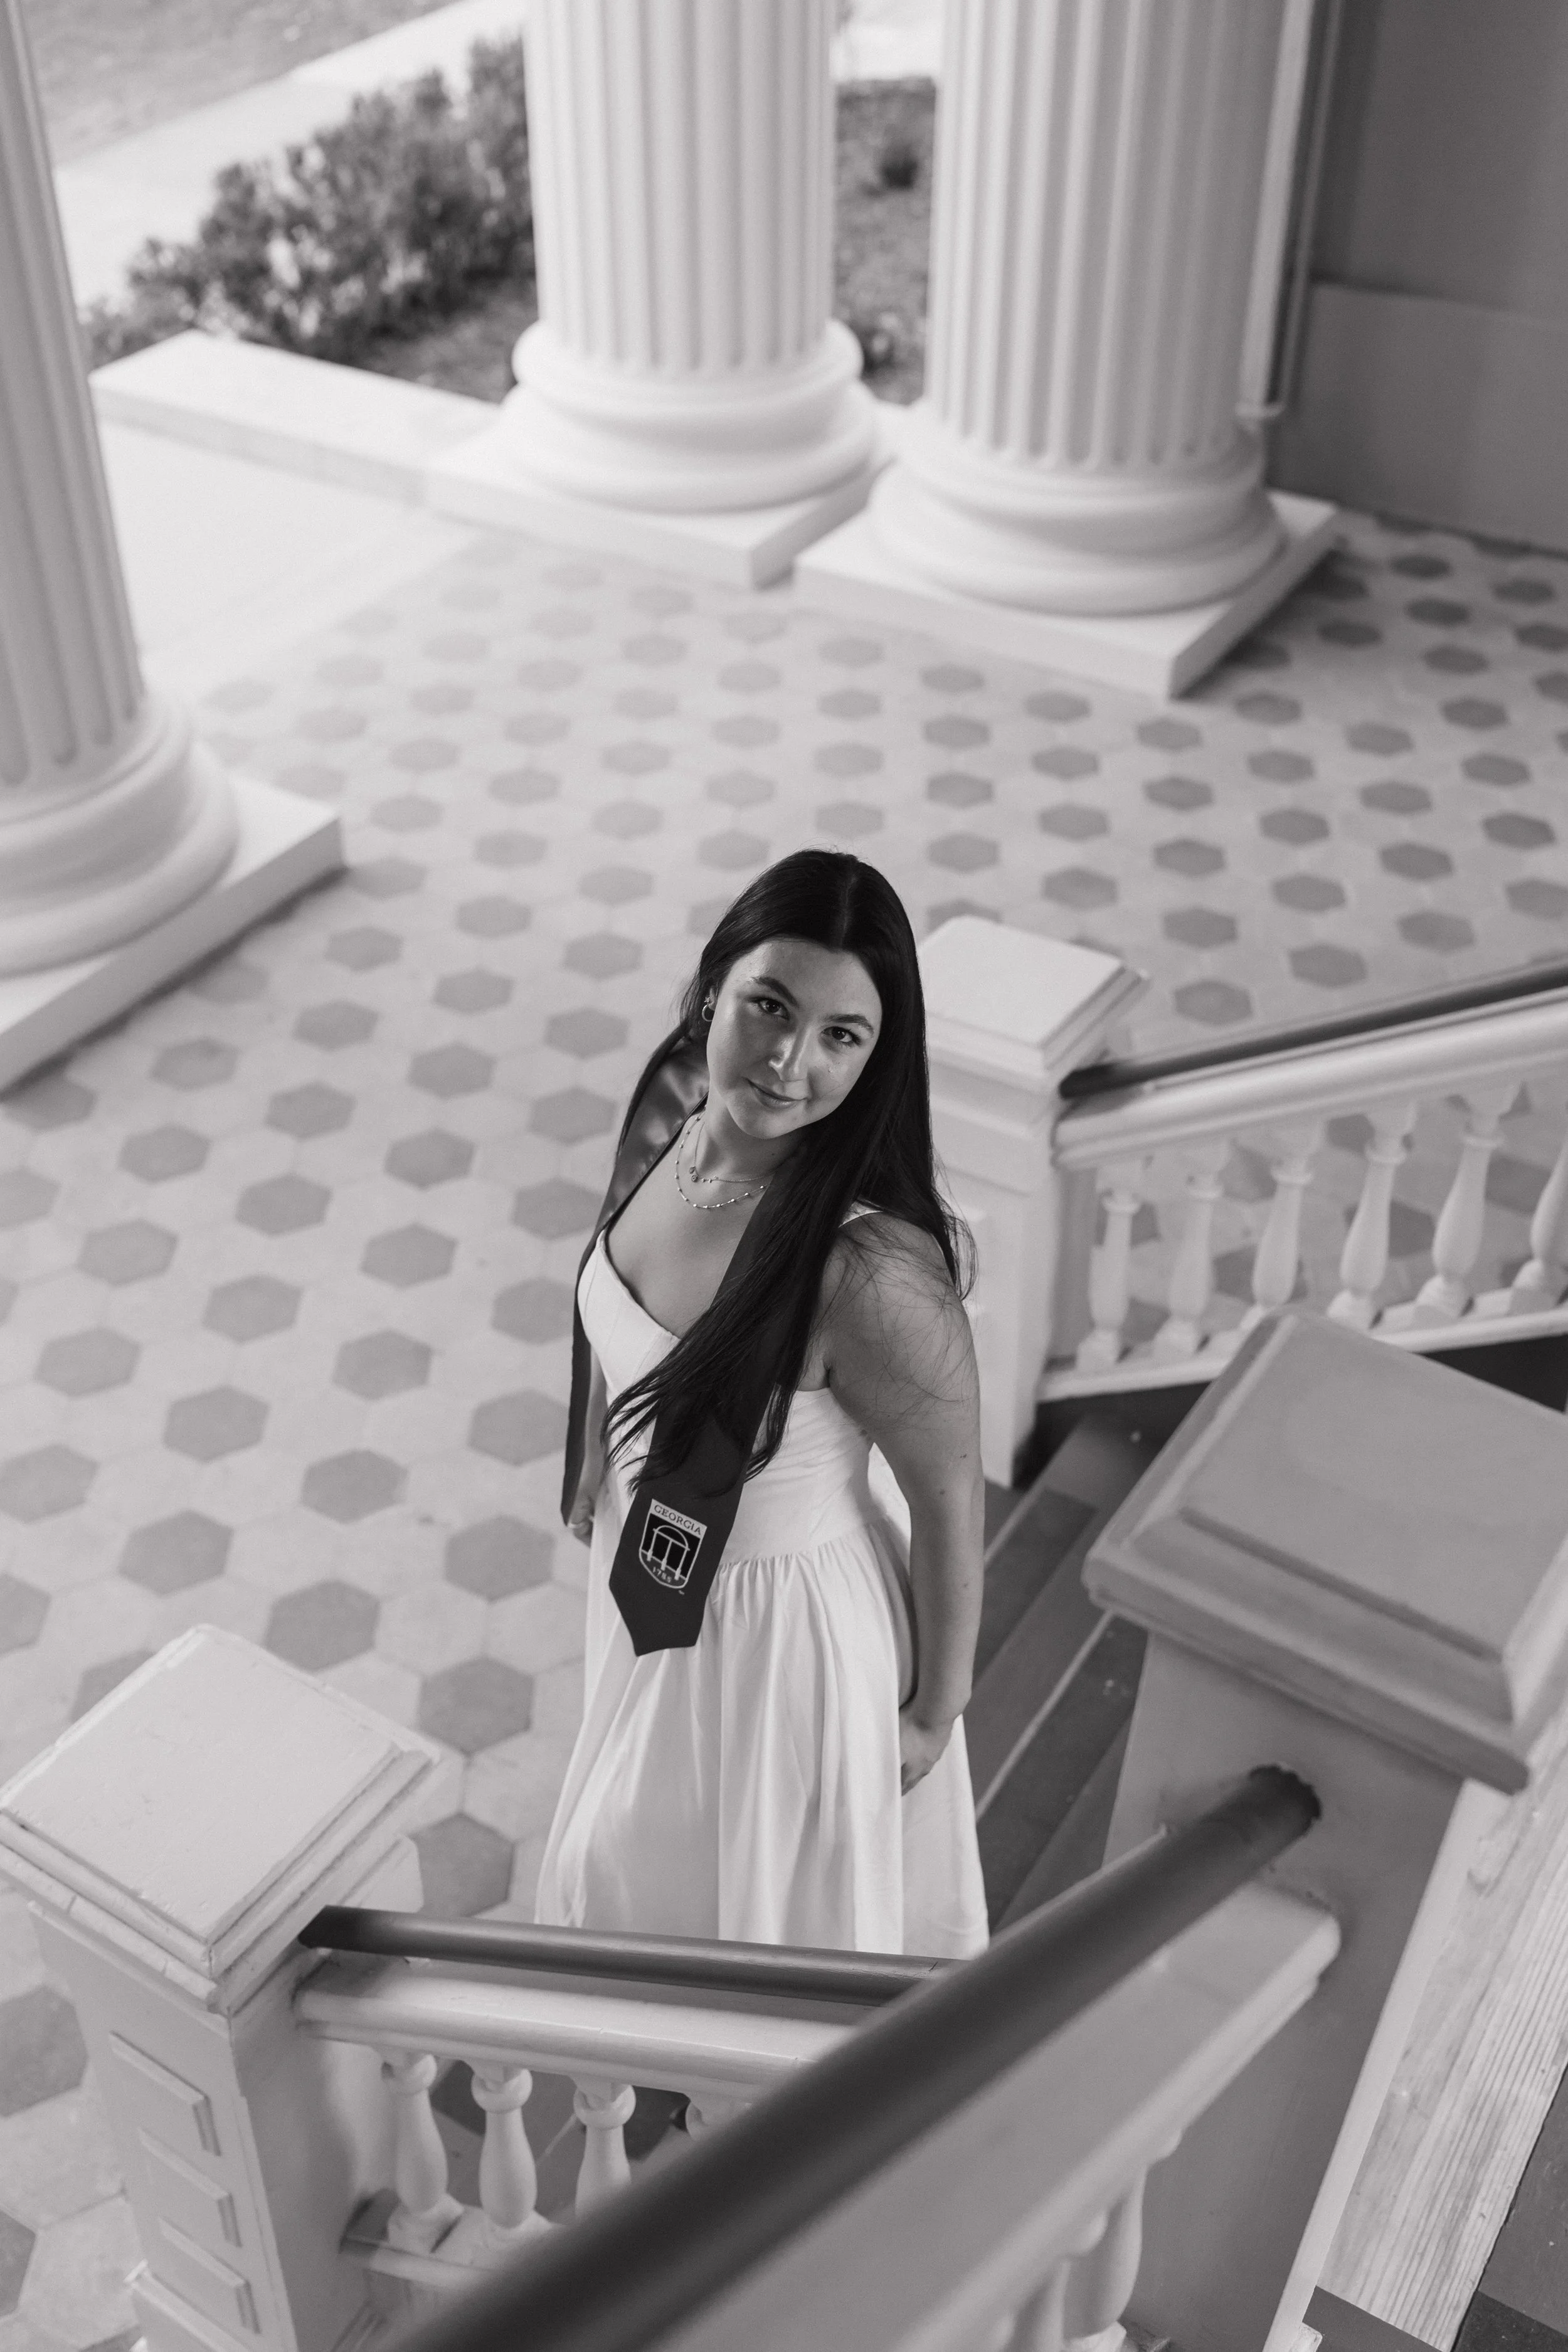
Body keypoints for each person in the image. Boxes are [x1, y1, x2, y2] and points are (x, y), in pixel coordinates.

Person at [535, 849, 988, 1958]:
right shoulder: (672, 1119)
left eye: (843, 1035)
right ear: (713, 988)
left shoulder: (871, 1275)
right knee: (646, 1873)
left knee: (751, 1912)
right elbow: (618, 1317)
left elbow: (949, 1501)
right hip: (653, 1570)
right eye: (771, 1007)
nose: (790, 1062)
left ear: (879, 1058)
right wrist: (595, 1458)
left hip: (779, 1640)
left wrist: (933, 1713)